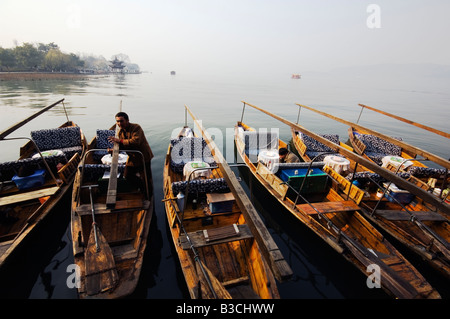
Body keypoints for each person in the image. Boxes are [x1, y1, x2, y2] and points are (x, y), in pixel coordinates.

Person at [108, 112, 154, 195]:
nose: (119, 123)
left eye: (121, 121)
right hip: (132, 157)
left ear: (127, 120)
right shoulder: (120, 132)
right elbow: (123, 145)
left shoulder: (136, 127)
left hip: (143, 156)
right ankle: (141, 187)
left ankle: (148, 194)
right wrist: (114, 150)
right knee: (127, 175)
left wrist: (120, 140)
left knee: (146, 178)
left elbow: (136, 141)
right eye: (117, 121)